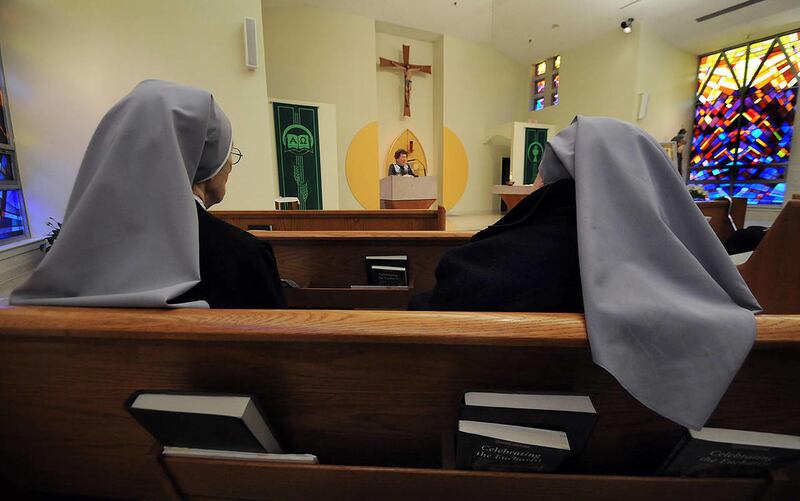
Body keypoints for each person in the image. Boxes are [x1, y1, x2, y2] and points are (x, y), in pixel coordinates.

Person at [411, 116, 761, 431]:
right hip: (645, 449)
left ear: (550, 176)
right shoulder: (690, 273)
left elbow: (433, 323)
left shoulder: (486, 265)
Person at [10, 80, 286, 309]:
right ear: (206, 161)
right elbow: (279, 358)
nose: (230, 167)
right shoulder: (243, 256)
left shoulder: (77, 250)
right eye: (230, 154)